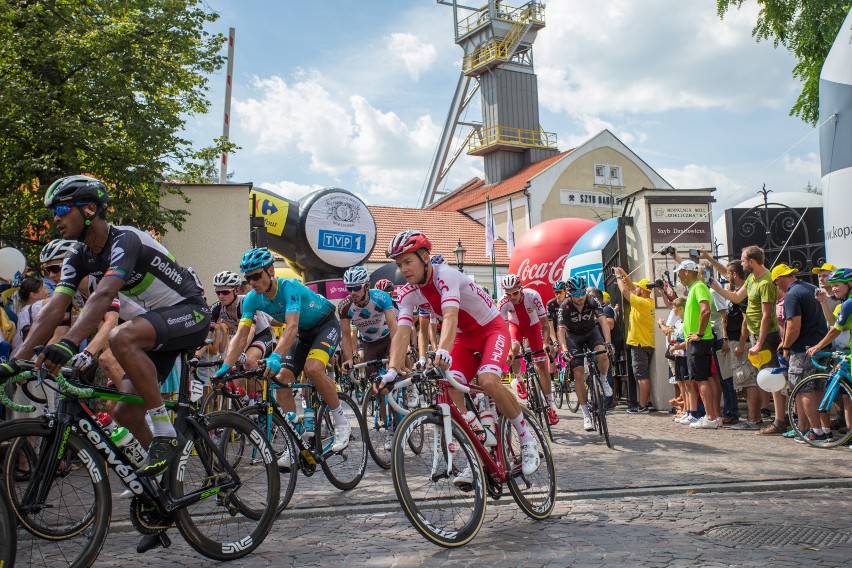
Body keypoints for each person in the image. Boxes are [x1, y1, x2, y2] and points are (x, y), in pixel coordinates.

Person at [2, 175, 211, 479]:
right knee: (125, 412)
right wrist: (16, 360)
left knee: (121, 337)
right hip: (161, 323)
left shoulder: (125, 240)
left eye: (61, 211)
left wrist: (69, 343)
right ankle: (167, 485)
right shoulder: (78, 255)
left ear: (89, 209)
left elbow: (103, 294)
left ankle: (165, 432)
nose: (55, 220)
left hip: (191, 312)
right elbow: (55, 307)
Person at [377, 230, 540, 481]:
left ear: (425, 257)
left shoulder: (446, 276)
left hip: (491, 330)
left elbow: (450, 316)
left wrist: (442, 350)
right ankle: (479, 445)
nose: (404, 269)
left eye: (408, 262)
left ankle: (526, 439)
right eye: (399, 265)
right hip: (465, 338)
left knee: (487, 381)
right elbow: (401, 332)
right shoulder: (408, 292)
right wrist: (391, 371)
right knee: (451, 387)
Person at [213, 247, 351, 453]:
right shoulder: (252, 298)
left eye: (256, 276)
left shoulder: (289, 287)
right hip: (304, 333)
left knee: (313, 369)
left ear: (270, 271)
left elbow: (291, 326)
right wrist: (226, 366)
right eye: (248, 278)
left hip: (325, 325)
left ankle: (341, 423)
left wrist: (275, 355)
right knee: (282, 379)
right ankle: (296, 440)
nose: (252, 282)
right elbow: (242, 334)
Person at [710, 246, 783, 435]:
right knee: (763, 377)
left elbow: (767, 316)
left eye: (743, 260)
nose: (741, 264)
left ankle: (779, 420)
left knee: (772, 377)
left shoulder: (766, 281)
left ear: (751, 261)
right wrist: (716, 287)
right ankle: (775, 420)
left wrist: (759, 343)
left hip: (765, 336)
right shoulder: (752, 278)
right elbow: (736, 297)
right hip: (755, 334)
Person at [773, 263, 829, 443]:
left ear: (779, 279)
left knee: (803, 390)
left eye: (776, 283)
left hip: (803, 349)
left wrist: (786, 346)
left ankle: (815, 431)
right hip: (820, 346)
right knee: (819, 388)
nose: (777, 287)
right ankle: (826, 430)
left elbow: (794, 327)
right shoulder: (811, 288)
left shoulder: (792, 295)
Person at [498, 274, 558, 425]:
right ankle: (519, 379)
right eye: (508, 293)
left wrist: (545, 343)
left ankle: (550, 408)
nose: (511, 296)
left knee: (541, 366)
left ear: (520, 289)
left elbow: (545, 323)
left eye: (515, 293)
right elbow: (504, 330)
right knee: (513, 351)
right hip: (515, 328)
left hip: (533, 327)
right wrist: (509, 351)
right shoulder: (503, 302)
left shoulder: (533, 295)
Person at [556, 276, 613, 431]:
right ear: (569, 294)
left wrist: (608, 342)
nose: (580, 297)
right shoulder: (565, 307)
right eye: (575, 294)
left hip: (591, 332)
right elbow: (561, 331)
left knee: (602, 353)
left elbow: (603, 321)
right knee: (578, 373)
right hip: (574, 338)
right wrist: (565, 350)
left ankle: (602, 379)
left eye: (582, 293)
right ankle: (586, 414)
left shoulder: (591, 299)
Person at [676, 260, 721, 428]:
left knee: (701, 379)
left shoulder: (699, 287)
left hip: (700, 341)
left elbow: (706, 310)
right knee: (706, 378)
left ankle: (710, 417)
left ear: (686, 272)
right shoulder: (695, 288)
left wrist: (700, 334)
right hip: (698, 341)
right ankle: (714, 416)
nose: (678, 277)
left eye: (679, 273)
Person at [613, 267, 655, 412]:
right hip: (646, 343)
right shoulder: (648, 302)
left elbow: (625, 292)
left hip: (639, 344)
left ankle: (643, 405)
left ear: (642, 291)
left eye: (638, 288)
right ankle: (645, 403)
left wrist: (619, 277)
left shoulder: (641, 303)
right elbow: (631, 289)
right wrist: (625, 275)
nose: (635, 289)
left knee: (641, 376)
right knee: (642, 375)